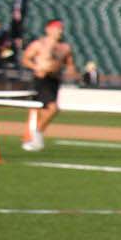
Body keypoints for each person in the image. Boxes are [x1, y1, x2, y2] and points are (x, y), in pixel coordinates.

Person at [19, 17, 74, 151]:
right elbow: (25, 59)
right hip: (41, 79)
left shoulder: (65, 47)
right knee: (53, 108)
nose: (60, 31)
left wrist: (70, 71)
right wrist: (35, 67)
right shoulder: (39, 44)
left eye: (61, 28)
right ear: (48, 29)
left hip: (54, 80)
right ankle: (36, 134)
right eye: (57, 28)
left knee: (45, 111)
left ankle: (34, 139)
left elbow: (70, 63)